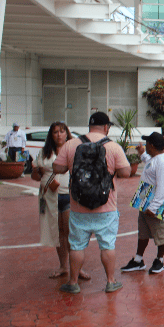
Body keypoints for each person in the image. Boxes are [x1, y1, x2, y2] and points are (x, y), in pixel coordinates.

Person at [53, 112, 131, 294]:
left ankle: (73, 282)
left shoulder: (71, 144)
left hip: (78, 206)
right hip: (107, 206)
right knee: (107, 245)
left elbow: (57, 168)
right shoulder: (113, 146)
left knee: (77, 245)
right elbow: (126, 172)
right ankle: (111, 282)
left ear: (89, 126)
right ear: (106, 127)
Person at [31, 122, 90, 281]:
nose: (59, 135)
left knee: (72, 233)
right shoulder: (45, 152)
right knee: (59, 234)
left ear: (67, 133)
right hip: (51, 198)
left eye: (62, 131)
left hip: (70, 196)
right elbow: (34, 176)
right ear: (51, 135)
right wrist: (37, 171)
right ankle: (63, 266)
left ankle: (78, 268)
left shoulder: (74, 149)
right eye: (55, 132)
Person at [121, 132, 164, 275]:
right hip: (145, 198)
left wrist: (154, 207)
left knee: (161, 233)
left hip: (157, 202)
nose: (146, 145)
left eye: (147, 143)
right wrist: (142, 153)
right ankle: (138, 260)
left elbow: (162, 187)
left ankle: (159, 260)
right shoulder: (155, 158)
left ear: (152, 146)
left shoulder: (162, 162)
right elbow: (149, 163)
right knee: (143, 231)